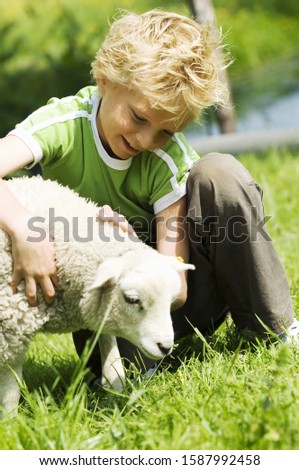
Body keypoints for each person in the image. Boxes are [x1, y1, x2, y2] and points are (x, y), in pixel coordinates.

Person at [0, 10, 297, 380]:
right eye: (139, 118)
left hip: (174, 299)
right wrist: (25, 227)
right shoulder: (62, 124)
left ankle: (275, 329)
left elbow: (179, 288)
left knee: (220, 172)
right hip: (112, 311)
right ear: (105, 79)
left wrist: (130, 251)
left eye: (165, 132)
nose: (145, 141)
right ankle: (136, 366)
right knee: (116, 377)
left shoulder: (164, 158)